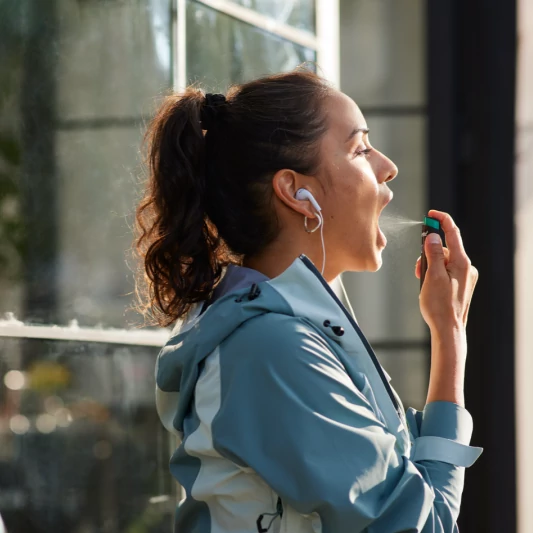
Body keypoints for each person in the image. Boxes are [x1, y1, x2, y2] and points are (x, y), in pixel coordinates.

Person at [133, 67, 482, 533]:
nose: (387, 166)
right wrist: (452, 340)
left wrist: (447, 331)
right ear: (297, 193)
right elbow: (426, 525)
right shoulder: (272, 349)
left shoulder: (293, 336)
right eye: (360, 148)